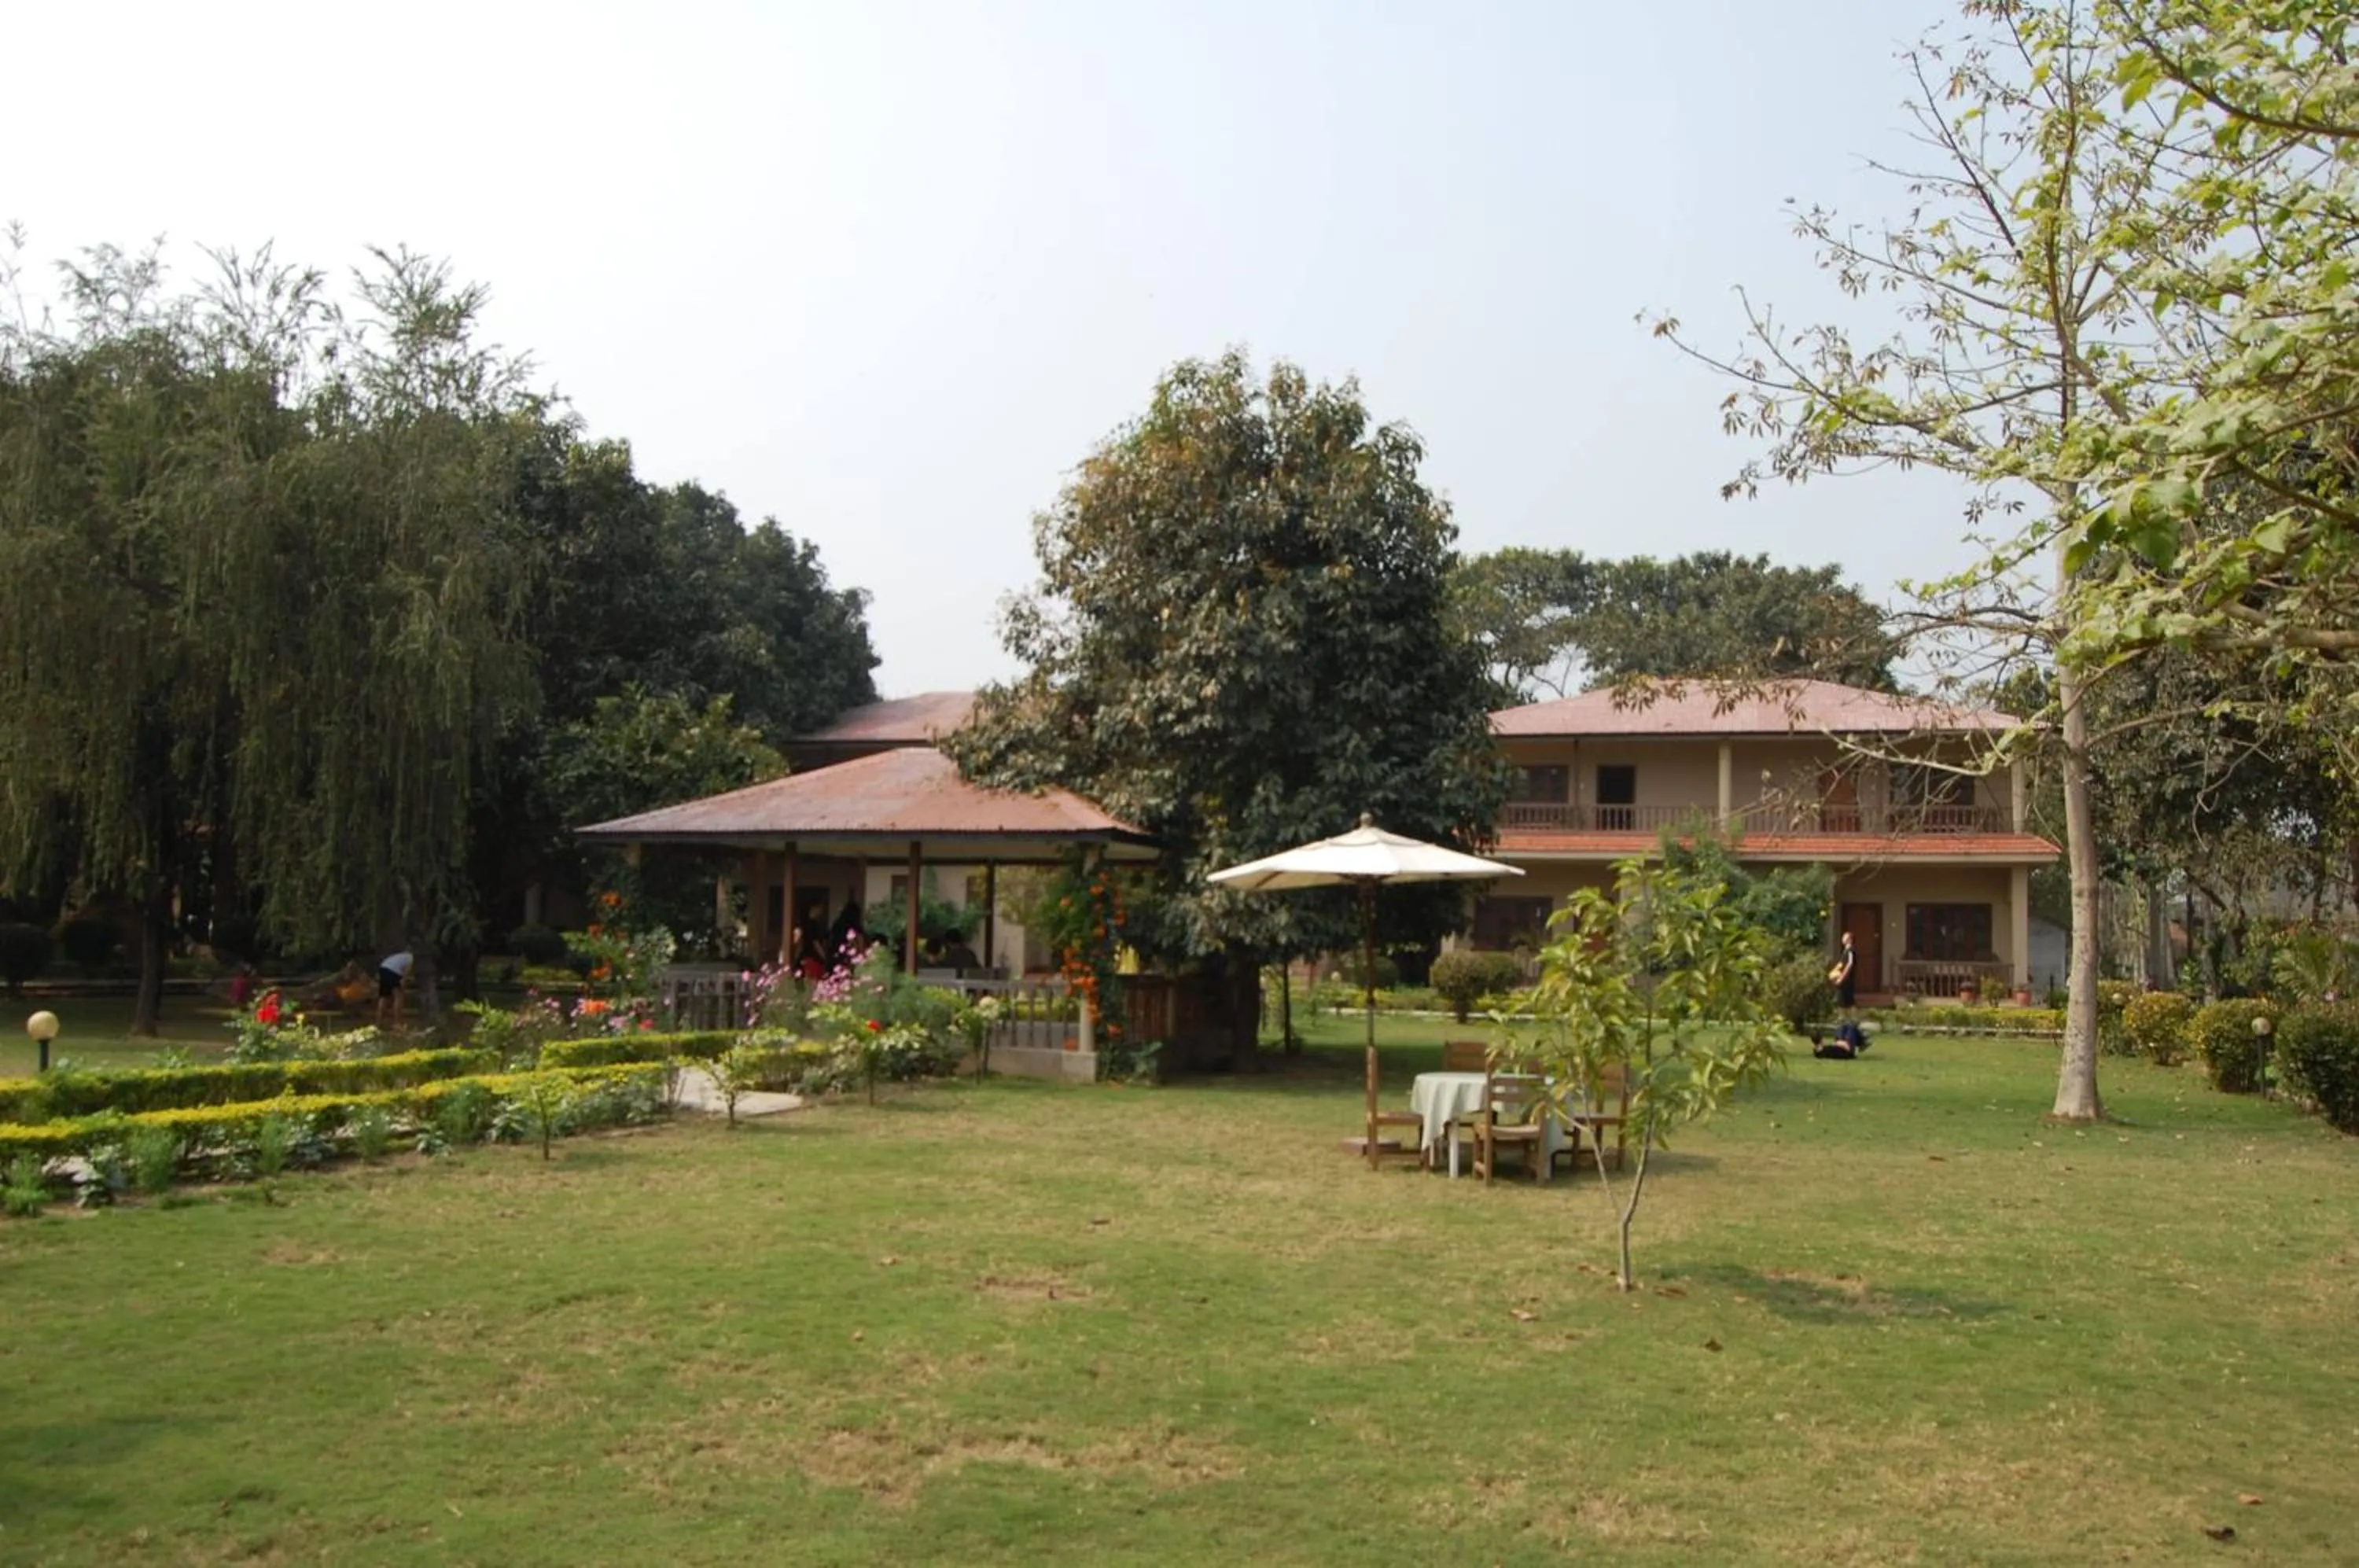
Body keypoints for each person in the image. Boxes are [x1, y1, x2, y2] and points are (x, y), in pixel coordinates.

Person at [377, 948, 414, 1027]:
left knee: (384, 997)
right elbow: (406, 971)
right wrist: (404, 981)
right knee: (399, 997)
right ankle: (397, 1023)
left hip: (383, 969)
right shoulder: (410, 957)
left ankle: (379, 1022)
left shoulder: (398, 956)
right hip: (393, 972)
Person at [1831, 930, 1859, 1012]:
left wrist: (1842, 978)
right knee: (1842, 1001)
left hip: (1847, 980)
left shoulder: (1850, 951)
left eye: (1845, 937)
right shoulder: (1845, 951)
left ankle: (1852, 1019)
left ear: (1850, 939)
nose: (1842, 938)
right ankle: (1845, 1019)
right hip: (1842, 979)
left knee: (1848, 1001)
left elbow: (1850, 964)